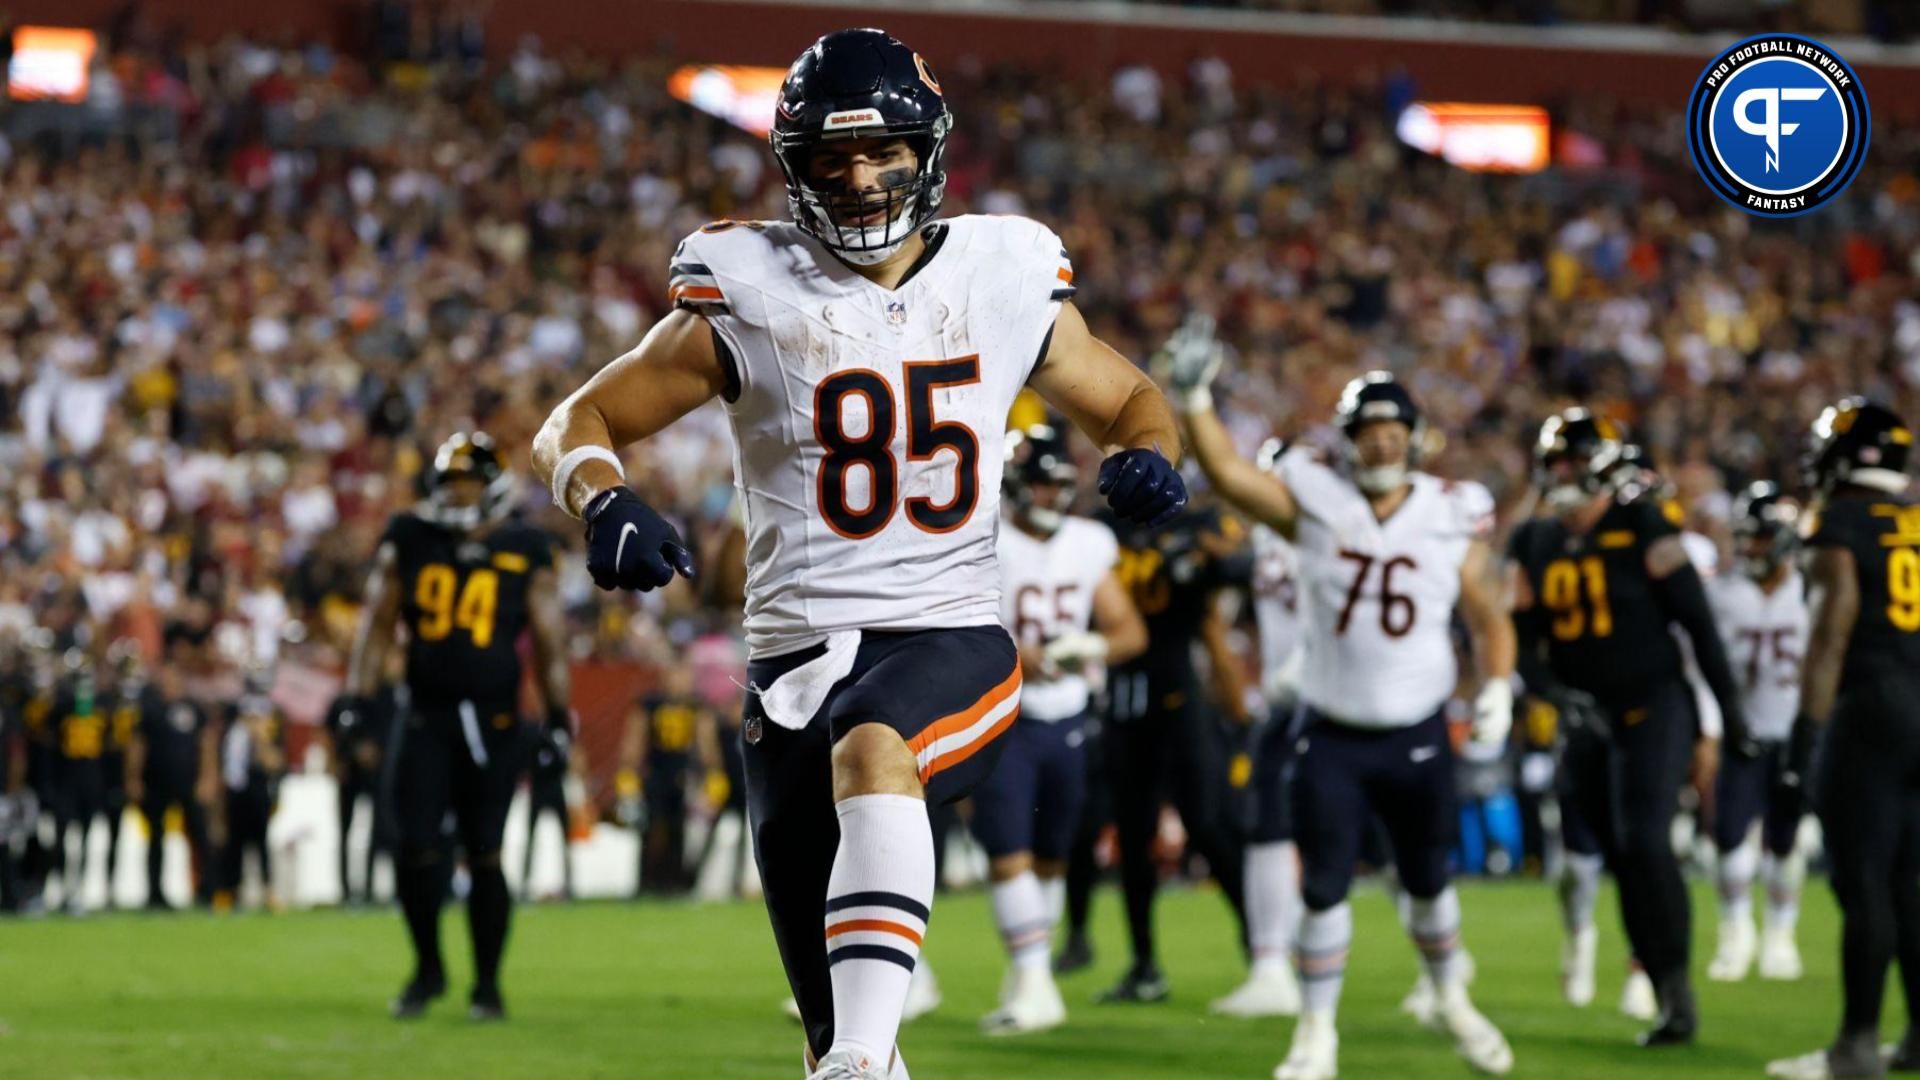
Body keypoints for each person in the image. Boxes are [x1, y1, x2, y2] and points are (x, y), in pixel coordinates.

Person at [530, 28, 1187, 1080]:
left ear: (926, 150)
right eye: (833, 160)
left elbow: (1132, 398)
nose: (861, 178)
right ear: (795, 168)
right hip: (791, 663)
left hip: (945, 634)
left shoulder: (1002, 269)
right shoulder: (749, 282)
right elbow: (579, 417)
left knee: (875, 746)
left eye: (881, 152)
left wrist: (1149, 454)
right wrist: (601, 496)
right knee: (834, 1028)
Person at [1168, 329, 1515, 1080]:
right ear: (1351, 439)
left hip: (1417, 730)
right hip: (1330, 730)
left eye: (1394, 431)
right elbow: (1228, 474)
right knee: (1323, 885)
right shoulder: (1317, 502)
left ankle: (1452, 997)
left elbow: (1488, 615)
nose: (1383, 444)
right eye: (1369, 431)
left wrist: (1496, 688)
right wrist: (1194, 402)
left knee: (1428, 884)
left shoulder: (1452, 512)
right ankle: (1315, 1033)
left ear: (1415, 439)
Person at [1508, 408, 1749, 1048]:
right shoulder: (1535, 541)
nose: (1559, 475)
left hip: (1654, 707)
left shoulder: (1644, 524)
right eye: (1552, 463)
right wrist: (1554, 693)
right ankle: (1660, 976)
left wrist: (1731, 715)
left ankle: (1675, 992)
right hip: (1586, 719)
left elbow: (1698, 626)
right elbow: (1522, 643)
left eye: (1570, 462)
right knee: (1618, 855)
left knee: (1645, 842)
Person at [343, 431, 571, 1023]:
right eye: (451, 483)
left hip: (495, 723)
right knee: (414, 847)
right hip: (425, 715)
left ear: (494, 488)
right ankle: (427, 969)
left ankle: (488, 984)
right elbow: (377, 620)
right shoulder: (411, 536)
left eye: (470, 483)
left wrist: (556, 719)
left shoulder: (526, 545)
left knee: (486, 852)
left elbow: (549, 641)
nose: (460, 495)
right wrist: (356, 701)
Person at [973, 422, 1146, 1035]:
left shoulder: (1088, 541)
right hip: (1004, 713)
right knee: (1008, 854)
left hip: (1069, 718)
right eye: (1040, 487)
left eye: (1058, 487)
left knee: (1048, 859)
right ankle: (1037, 980)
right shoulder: (982, 539)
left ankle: (1031, 976)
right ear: (1015, 486)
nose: (1052, 498)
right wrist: (1018, 654)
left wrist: (1088, 642)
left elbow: (1130, 632)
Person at [1768, 400, 1920, 1080]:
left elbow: (1832, 635)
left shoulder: (1841, 522)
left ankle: (1855, 1048)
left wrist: (1804, 740)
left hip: (1872, 709)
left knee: (1864, 887)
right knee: (1912, 885)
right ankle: (1916, 1038)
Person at [1085, 491, 1251, 1006]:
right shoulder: (1099, 529)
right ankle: (1144, 964)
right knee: (1133, 840)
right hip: (1124, 701)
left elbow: (1241, 564)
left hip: (1181, 699)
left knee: (1207, 824)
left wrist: (1199, 546)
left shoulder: (1194, 521)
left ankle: (1263, 950)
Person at [1211, 438, 1306, 1020]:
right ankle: (1272, 965)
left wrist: (1306, 666)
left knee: (1381, 829)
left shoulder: (1328, 526)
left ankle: (1440, 967)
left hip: (1334, 699)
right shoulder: (1268, 538)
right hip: (1285, 704)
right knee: (1266, 825)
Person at [1704, 481, 1810, 984]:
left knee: (1786, 840)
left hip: (1795, 731)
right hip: (1741, 730)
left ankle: (1781, 935)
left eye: (1761, 538)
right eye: (1745, 537)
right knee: (1727, 835)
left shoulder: (1810, 588)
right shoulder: (1721, 593)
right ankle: (1735, 932)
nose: (1750, 549)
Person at [126, 659, 216, 909]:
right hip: (156, 783)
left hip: (189, 782)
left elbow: (206, 744)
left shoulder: (193, 709)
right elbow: (137, 746)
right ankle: (155, 893)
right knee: (156, 838)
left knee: (200, 836)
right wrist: (133, 778)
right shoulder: (149, 710)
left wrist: (207, 777)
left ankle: (207, 890)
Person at [622, 666, 708, 896]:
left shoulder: (694, 706)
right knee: (651, 827)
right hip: (656, 773)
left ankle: (675, 882)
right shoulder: (650, 704)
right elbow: (635, 737)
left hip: (682, 776)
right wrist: (628, 771)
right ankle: (646, 881)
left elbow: (705, 741)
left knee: (678, 829)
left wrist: (710, 772)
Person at [329, 668, 400, 906]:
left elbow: (390, 733)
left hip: (374, 774)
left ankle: (370, 887)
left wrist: (376, 752)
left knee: (378, 829)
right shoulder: (343, 701)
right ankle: (346, 889)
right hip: (348, 774)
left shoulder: (385, 698)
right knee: (344, 830)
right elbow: (329, 732)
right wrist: (336, 761)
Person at [218, 691, 284, 910]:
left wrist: (260, 740)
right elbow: (226, 767)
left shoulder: (264, 736)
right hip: (236, 792)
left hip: (257, 791)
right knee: (234, 843)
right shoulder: (233, 735)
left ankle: (268, 891)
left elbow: (274, 763)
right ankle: (230, 891)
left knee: (261, 843)